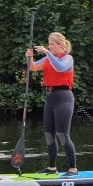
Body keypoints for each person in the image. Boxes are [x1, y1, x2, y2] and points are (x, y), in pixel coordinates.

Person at [27, 31, 78, 174]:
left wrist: (46, 53)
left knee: (63, 134)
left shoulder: (68, 58)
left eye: (51, 44)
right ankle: (51, 167)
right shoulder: (48, 58)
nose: (49, 47)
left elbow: (60, 68)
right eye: (48, 44)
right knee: (49, 134)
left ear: (61, 45)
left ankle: (73, 168)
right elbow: (33, 67)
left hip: (64, 98)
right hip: (51, 98)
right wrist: (30, 58)